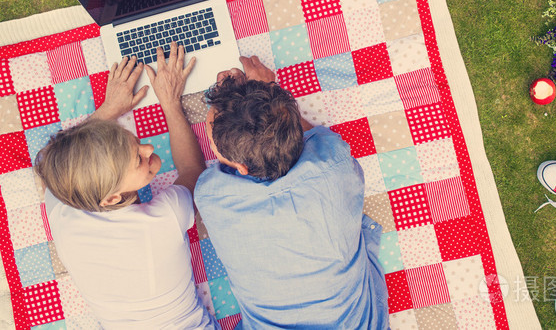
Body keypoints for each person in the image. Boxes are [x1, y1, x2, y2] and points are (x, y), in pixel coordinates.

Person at [194, 56, 390, 329]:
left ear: (239, 166)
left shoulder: (209, 194)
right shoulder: (335, 163)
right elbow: (303, 134)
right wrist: (268, 94)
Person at [35, 43, 220, 329]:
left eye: (134, 141)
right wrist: (170, 102)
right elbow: (193, 171)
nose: (148, 148)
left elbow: (54, 159)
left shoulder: (63, 203)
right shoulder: (162, 219)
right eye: (138, 159)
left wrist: (110, 109)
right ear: (111, 198)